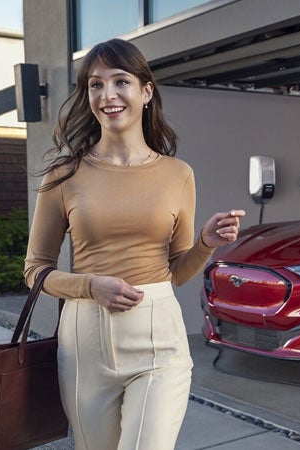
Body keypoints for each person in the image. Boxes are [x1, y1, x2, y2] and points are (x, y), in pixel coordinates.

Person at [24, 38, 246, 449]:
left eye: (120, 81)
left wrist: (205, 243)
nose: (107, 95)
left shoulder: (178, 174)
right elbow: (35, 270)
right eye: (95, 85)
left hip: (158, 337)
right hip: (84, 340)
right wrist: (90, 285)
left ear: (146, 91)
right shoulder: (63, 175)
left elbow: (176, 272)